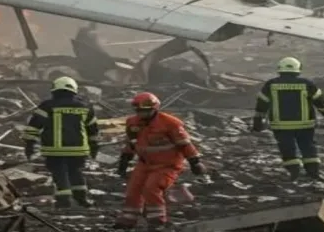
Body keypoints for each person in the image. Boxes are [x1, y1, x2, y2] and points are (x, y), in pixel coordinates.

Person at [115, 92, 205, 230]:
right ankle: (128, 220)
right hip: (145, 163)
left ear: (154, 108)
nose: (142, 114)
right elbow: (131, 143)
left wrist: (195, 161)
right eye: (139, 111)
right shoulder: (132, 122)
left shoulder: (170, 123)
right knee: (133, 190)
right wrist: (124, 160)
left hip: (167, 165)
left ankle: (157, 221)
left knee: (151, 188)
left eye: (145, 111)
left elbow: (184, 144)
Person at [252, 57, 324, 180]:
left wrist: (258, 122)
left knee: (287, 148)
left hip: (281, 126)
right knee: (308, 147)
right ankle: (313, 172)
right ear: (298, 69)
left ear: (280, 69)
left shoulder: (271, 84)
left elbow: (262, 105)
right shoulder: (307, 84)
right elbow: (320, 102)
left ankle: (294, 173)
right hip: (305, 124)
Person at [23, 76, 99, 208]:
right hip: (78, 149)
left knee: (59, 172)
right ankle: (82, 199)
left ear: (54, 90)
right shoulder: (84, 106)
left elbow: (34, 125)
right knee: (76, 171)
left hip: (55, 149)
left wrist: (29, 145)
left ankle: (64, 200)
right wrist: (94, 147)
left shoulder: (48, 105)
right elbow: (93, 129)